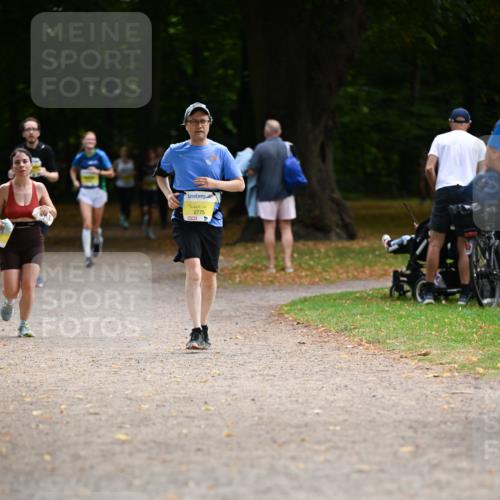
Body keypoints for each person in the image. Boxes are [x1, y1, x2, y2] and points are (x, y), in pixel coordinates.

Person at [155, 102, 244, 350]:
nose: (199, 125)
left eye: (203, 121)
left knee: (209, 275)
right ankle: (194, 330)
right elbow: (160, 175)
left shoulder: (221, 151)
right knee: (193, 271)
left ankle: (204, 326)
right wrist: (168, 195)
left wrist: (214, 183)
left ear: (209, 124)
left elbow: (239, 184)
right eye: (193, 121)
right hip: (184, 218)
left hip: (211, 219)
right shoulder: (175, 151)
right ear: (186, 125)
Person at [423, 107, 486, 306]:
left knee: (435, 243)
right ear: (468, 124)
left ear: (450, 122)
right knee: (465, 245)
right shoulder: (478, 143)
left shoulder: (440, 139)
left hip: (444, 191)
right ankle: (465, 292)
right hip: (466, 194)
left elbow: (429, 169)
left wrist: (436, 190)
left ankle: (429, 292)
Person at [0, 148, 57, 337]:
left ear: (31, 164)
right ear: (12, 166)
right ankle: (9, 302)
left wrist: (44, 209)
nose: (21, 165)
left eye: (25, 161)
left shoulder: (39, 187)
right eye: (17, 162)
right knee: (11, 289)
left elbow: (54, 212)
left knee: (28, 284)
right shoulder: (4, 189)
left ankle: (24, 324)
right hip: (9, 240)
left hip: (34, 239)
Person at [247, 119, 296, 273]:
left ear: (266, 132)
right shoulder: (288, 147)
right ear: (279, 131)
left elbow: (251, 171)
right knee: (286, 227)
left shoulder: (261, 148)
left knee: (269, 228)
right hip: (287, 192)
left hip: (266, 193)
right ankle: (288, 264)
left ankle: (271, 265)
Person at [15, 117, 59, 287]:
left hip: (41, 201)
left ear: (39, 132)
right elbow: (10, 172)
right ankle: (19, 269)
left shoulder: (46, 150)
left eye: (34, 129)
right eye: (28, 129)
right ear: (24, 133)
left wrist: (45, 173)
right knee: (19, 236)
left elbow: (56, 176)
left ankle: (36, 274)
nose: (31, 132)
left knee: (39, 238)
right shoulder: (19, 150)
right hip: (20, 199)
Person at [70, 131, 114, 268]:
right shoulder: (80, 157)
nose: (90, 141)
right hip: (85, 193)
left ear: (95, 142)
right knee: (87, 224)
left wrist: (98, 172)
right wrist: (75, 181)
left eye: (92, 139)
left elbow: (112, 173)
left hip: (99, 192)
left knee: (95, 227)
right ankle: (88, 256)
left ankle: (97, 239)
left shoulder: (101, 155)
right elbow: (72, 170)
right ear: (83, 141)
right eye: (88, 139)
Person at [139, 148, 160, 240]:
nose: (150, 156)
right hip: (144, 191)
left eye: (152, 154)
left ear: (154, 155)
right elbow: (138, 178)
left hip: (154, 191)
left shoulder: (157, 166)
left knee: (153, 211)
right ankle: (144, 220)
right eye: (149, 154)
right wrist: (141, 184)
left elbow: (162, 177)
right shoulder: (143, 166)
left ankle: (150, 229)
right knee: (145, 210)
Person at [113, 146, 136, 229]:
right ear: (120, 153)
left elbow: (135, 172)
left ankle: (126, 220)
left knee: (128, 203)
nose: (124, 153)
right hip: (120, 185)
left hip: (130, 185)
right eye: (122, 151)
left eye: (125, 151)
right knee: (122, 203)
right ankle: (122, 216)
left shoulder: (131, 161)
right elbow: (112, 172)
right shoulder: (117, 162)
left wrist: (132, 174)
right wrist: (118, 174)